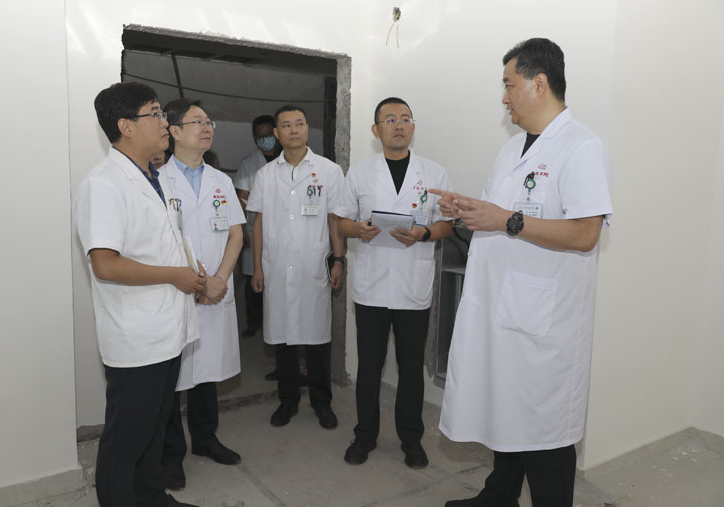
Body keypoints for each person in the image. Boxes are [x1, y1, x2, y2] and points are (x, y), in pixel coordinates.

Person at [435, 38, 613, 507]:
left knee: (543, 428)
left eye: (509, 85)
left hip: (543, 319)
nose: (504, 97)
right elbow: (502, 213)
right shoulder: (513, 148)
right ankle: (499, 497)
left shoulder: (582, 146)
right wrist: (468, 210)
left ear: (539, 83)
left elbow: (585, 234)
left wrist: (506, 221)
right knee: (507, 411)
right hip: (502, 305)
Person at [74, 82, 204, 507]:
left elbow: (154, 243)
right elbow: (106, 264)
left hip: (165, 330)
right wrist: (175, 275)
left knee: (154, 428)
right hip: (136, 338)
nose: (165, 122)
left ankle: (152, 498)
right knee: (126, 439)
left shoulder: (151, 176)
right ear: (126, 126)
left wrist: (187, 268)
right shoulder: (105, 183)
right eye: (156, 114)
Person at [334, 97, 453, 468]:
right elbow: (341, 222)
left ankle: (411, 439)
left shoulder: (435, 173)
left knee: (411, 367)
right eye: (389, 119)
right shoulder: (359, 173)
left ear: (413, 127)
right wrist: (360, 229)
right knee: (369, 367)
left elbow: (446, 225)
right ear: (376, 130)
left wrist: (423, 233)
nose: (398, 125)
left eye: (405, 119)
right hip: (371, 285)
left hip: (413, 285)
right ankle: (365, 435)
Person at [159, 99, 245, 490]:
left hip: (215, 290)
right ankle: (171, 455)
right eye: (197, 122)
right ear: (174, 131)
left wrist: (219, 279)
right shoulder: (158, 181)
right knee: (172, 376)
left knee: (206, 371)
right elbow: (158, 242)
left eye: (209, 121)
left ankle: (206, 439)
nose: (207, 127)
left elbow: (236, 235)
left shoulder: (221, 181)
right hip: (177, 291)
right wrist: (197, 282)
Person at [247, 104, 345, 429]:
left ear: (307, 128)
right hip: (275, 268)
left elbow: (334, 219)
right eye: (286, 125)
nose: (294, 129)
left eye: (299, 123)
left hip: (313, 266)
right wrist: (258, 268)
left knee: (317, 338)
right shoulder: (265, 175)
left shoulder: (329, 171)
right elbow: (258, 223)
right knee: (283, 339)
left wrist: (338, 260)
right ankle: (287, 401)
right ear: (277, 133)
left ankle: (322, 402)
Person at [234, 115, 280, 339]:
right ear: (255, 138)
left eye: (269, 135)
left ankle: (276, 321)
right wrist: (242, 230)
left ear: (276, 133)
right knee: (253, 278)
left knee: (278, 278)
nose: (265, 139)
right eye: (261, 136)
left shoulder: (287, 158)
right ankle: (254, 322)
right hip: (255, 229)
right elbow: (242, 198)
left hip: (282, 230)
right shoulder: (249, 163)